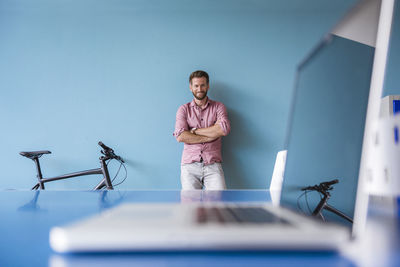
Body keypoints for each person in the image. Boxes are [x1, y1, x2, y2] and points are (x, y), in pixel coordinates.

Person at [173, 70, 231, 190]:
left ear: (208, 86)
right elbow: (181, 136)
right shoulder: (183, 109)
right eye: (196, 85)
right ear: (191, 87)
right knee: (190, 206)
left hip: (213, 165)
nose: (200, 89)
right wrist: (211, 134)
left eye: (203, 85)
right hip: (189, 166)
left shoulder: (218, 107)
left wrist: (194, 131)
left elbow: (223, 129)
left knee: (220, 204)